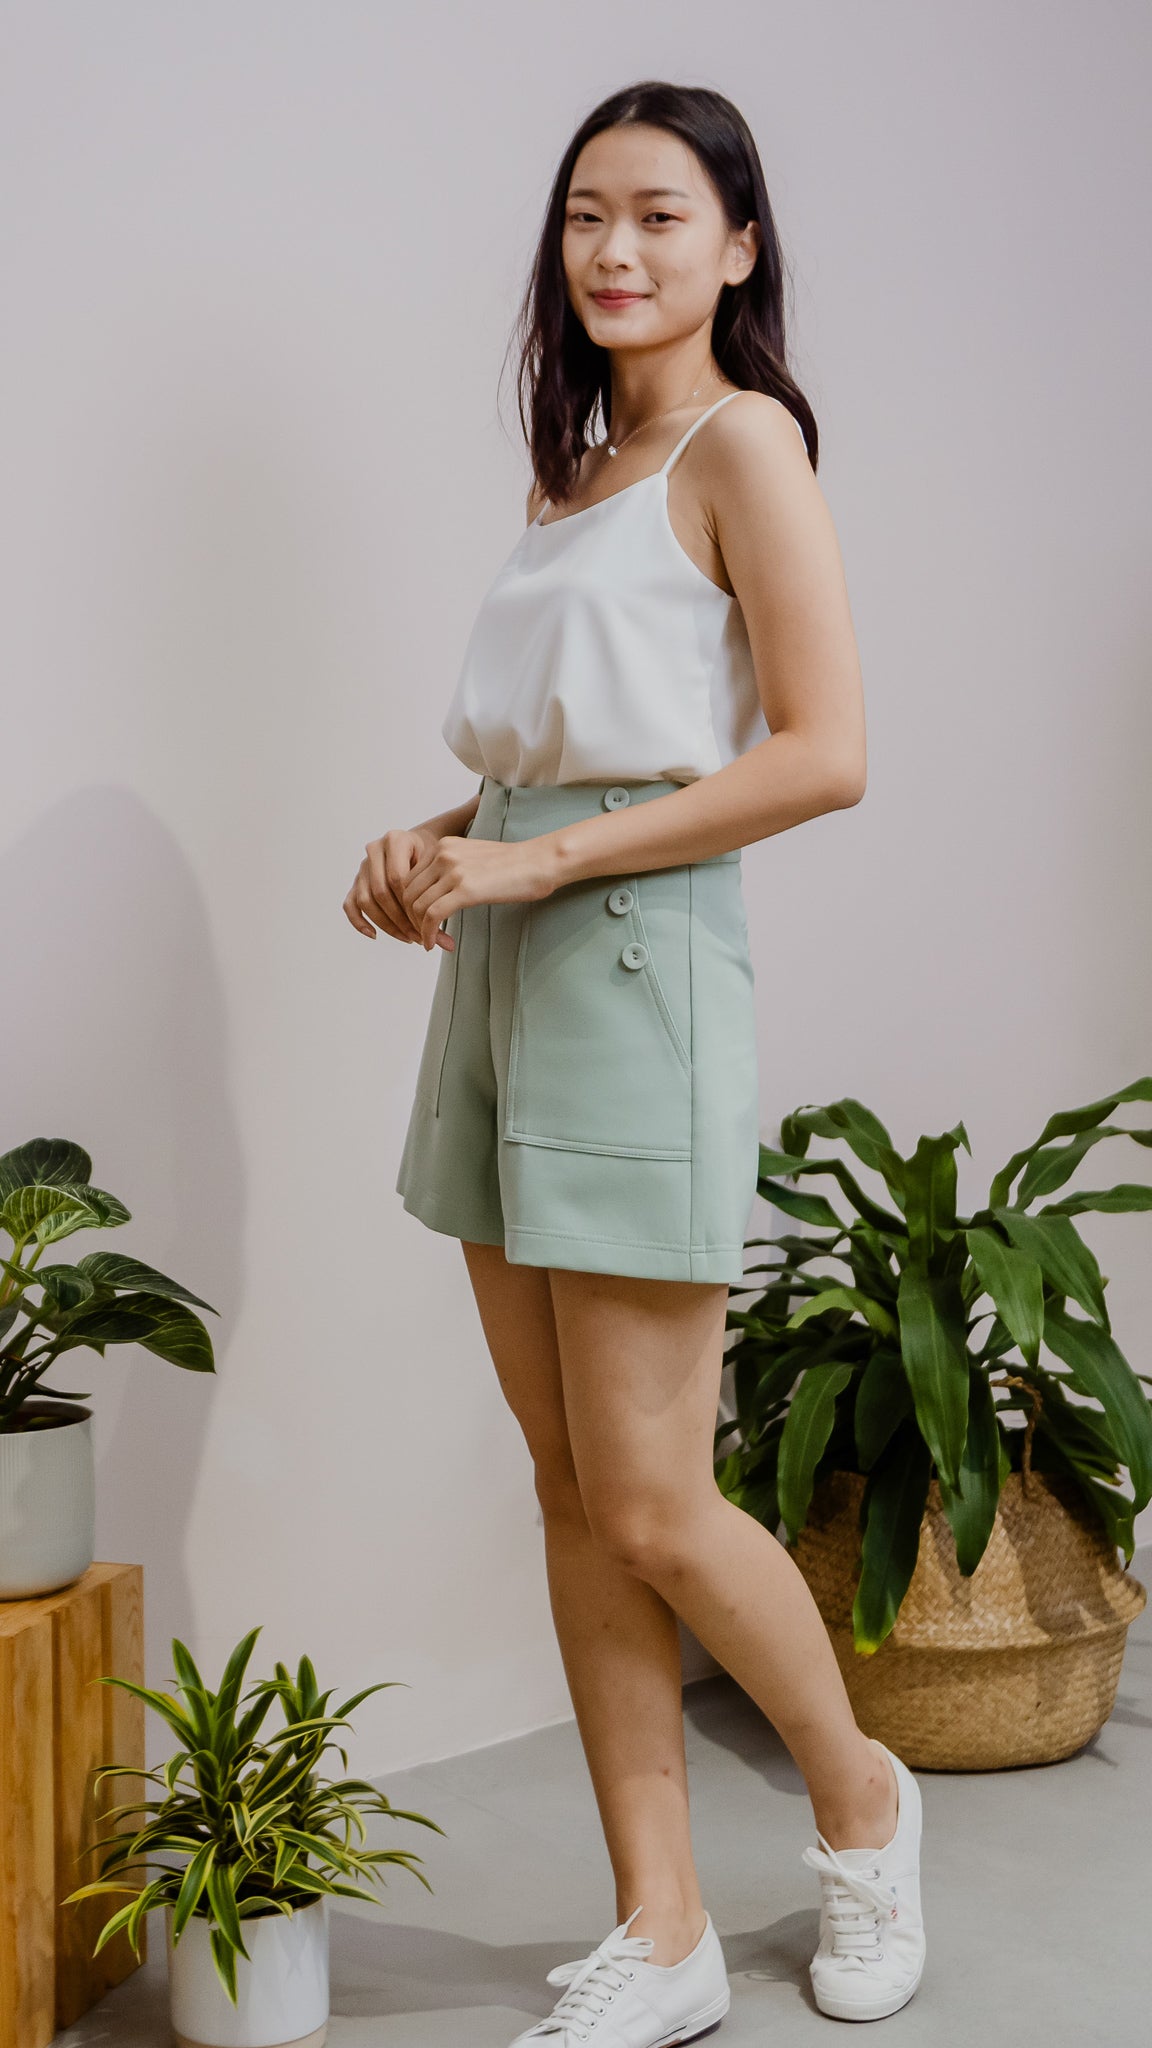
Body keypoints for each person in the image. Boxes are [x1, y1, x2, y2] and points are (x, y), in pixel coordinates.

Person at [344, 79, 926, 2047]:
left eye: (662, 215)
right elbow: (568, 748)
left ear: (739, 246)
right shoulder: (575, 473)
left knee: (658, 1501)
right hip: (503, 970)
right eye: (587, 213)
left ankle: (861, 1805)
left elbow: (822, 753)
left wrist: (540, 859)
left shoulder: (743, 443)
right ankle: (660, 1926)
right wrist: (443, 839)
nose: (615, 248)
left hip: (630, 965)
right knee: (569, 1482)